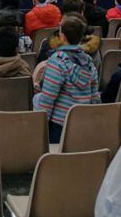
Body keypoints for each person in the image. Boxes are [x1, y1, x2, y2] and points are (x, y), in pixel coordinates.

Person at [34, 15, 100, 143]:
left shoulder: (57, 61)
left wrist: (40, 127)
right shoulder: (89, 62)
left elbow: (48, 98)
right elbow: (95, 96)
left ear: (62, 36)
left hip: (59, 126)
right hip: (83, 123)